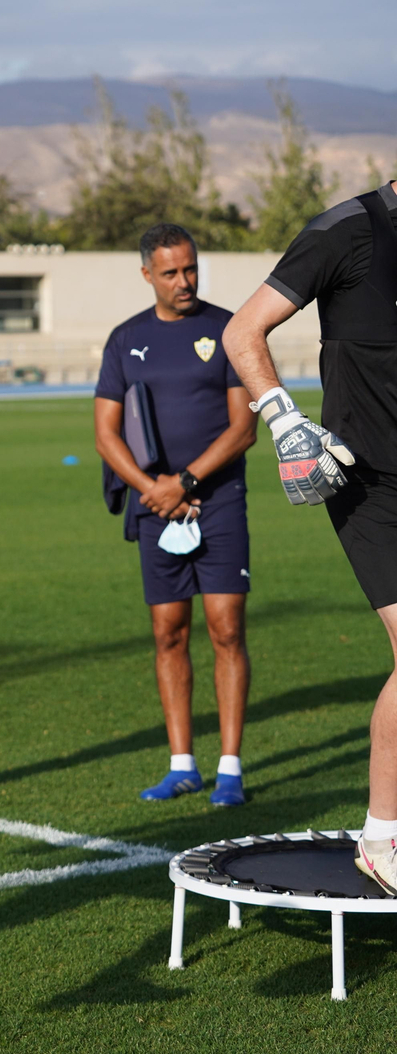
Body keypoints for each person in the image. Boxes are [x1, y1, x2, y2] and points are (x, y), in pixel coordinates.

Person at [222, 179, 397, 892]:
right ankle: (382, 836)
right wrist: (284, 420)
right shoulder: (347, 230)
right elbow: (242, 330)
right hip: (369, 481)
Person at [94, 223, 258, 806]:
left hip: (217, 503)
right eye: (170, 272)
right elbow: (106, 434)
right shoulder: (125, 339)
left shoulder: (228, 329)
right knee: (169, 633)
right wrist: (154, 490)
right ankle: (182, 764)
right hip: (154, 509)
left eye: (190, 268)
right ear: (147, 275)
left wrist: (186, 482)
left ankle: (231, 769)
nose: (184, 281)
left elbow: (245, 428)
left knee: (226, 629)